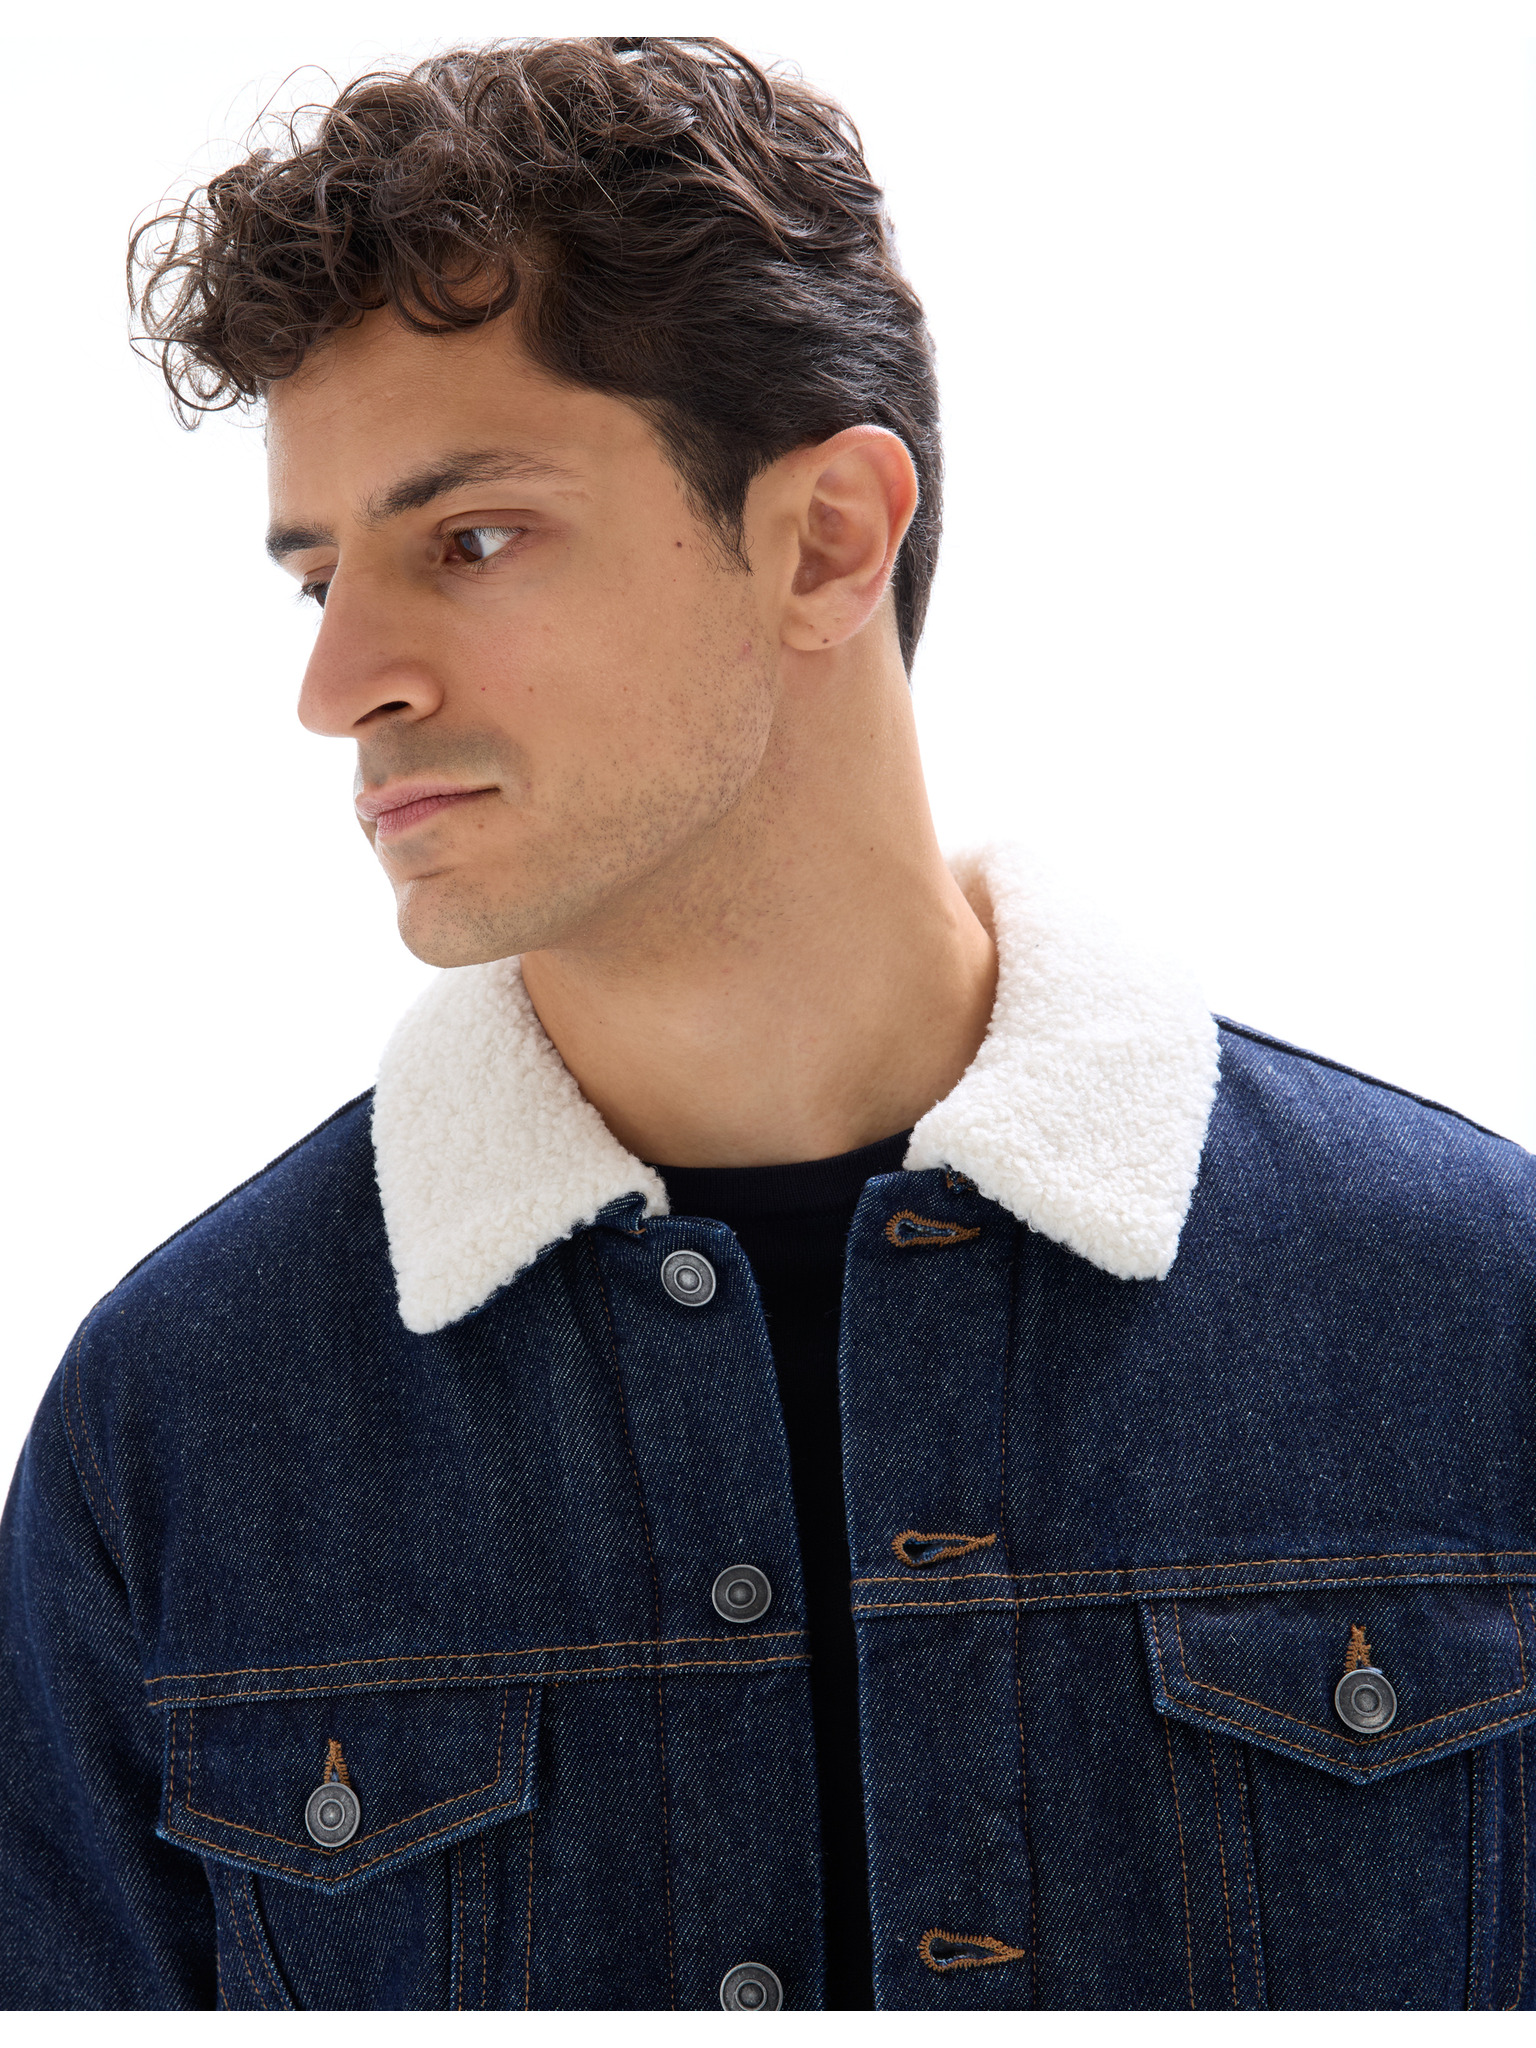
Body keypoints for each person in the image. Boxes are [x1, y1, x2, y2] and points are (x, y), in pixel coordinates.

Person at [1, 34, 1532, 2013]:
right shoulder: (180, 1424)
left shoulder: (1472, 1317)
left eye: (469, 539)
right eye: (318, 581)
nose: (340, 684)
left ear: (825, 539)